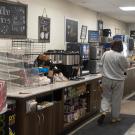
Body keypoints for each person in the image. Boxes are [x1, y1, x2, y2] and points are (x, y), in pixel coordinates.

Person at [97, 40, 130, 125]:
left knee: (105, 96)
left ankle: (103, 112)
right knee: (116, 99)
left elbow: (100, 65)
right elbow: (126, 66)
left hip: (106, 79)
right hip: (118, 80)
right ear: (121, 47)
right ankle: (115, 118)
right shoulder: (120, 56)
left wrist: (103, 74)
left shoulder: (106, 53)